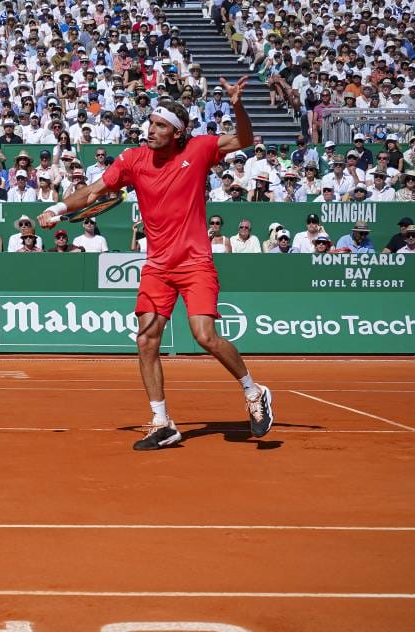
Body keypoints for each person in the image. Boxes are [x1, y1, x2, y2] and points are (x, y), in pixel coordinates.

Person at [38, 78, 273, 450]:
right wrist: (56, 208)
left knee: (203, 336)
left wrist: (238, 107)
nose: (152, 129)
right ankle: (162, 421)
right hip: (158, 266)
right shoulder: (132, 158)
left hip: (195, 262)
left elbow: (242, 139)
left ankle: (253, 391)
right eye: (151, 122)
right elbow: (95, 192)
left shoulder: (198, 150)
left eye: (161, 125)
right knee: (146, 339)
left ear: (177, 133)